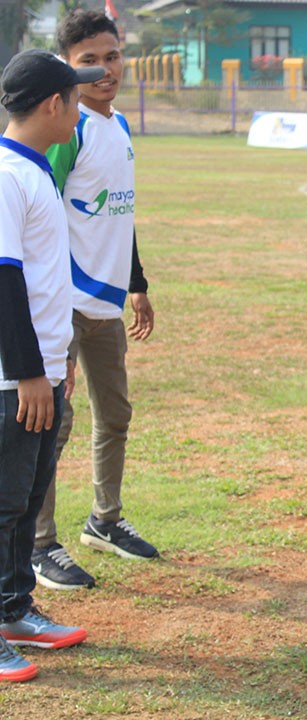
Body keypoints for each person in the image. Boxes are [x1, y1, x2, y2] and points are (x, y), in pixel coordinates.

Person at [31, 9, 159, 593]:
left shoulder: (120, 125)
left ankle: (104, 521)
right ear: (67, 67)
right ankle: (39, 544)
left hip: (106, 304)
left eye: (112, 57)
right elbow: (41, 211)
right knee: (50, 425)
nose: (104, 70)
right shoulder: (68, 129)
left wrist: (137, 284)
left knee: (115, 414)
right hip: (64, 303)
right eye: (88, 61)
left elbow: (118, 213)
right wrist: (50, 305)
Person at [0, 48, 100, 682]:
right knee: (4, 503)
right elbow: (5, 281)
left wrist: (56, 363)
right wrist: (30, 373)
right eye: (75, 98)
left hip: (42, 371)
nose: (80, 109)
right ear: (52, 104)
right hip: (15, 379)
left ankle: (13, 609)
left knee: (26, 497)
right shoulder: (7, 176)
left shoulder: (34, 171)